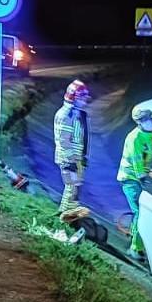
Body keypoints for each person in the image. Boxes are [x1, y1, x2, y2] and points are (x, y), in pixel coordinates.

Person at [117, 107, 152, 259]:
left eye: (149, 118)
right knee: (141, 212)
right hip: (131, 179)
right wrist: (143, 177)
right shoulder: (134, 138)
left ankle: (136, 237)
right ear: (138, 122)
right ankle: (135, 248)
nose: (148, 122)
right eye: (145, 120)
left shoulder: (150, 134)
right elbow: (136, 160)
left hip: (142, 178)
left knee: (141, 212)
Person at [53, 79, 91, 218]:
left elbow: (80, 138)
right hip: (68, 159)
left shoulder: (76, 114)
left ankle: (65, 213)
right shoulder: (65, 115)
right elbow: (63, 141)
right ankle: (66, 218)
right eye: (82, 98)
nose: (84, 101)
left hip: (77, 159)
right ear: (73, 98)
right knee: (72, 187)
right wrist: (70, 161)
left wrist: (83, 157)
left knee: (74, 188)